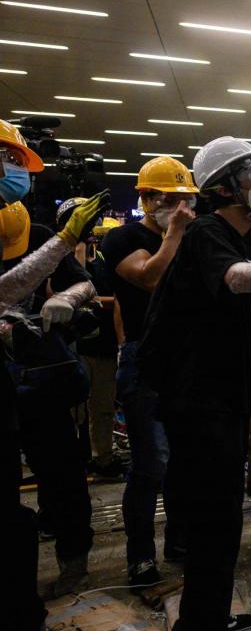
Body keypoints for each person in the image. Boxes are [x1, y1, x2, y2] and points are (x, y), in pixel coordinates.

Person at [137, 137, 251, 631]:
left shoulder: (238, 236)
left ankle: (208, 616)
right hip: (197, 401)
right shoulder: (208, 232)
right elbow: (235, 279)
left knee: (223, 518)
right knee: (214, 518)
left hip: (219, 398)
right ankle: (201, 624)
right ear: (225, 187)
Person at [2, 189, 110, 631]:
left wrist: (68, 297)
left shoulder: (37, 233)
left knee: (62, 472)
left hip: (44, 378)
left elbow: (85, 282)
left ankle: (73, 558)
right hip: (9, 383)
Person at [101, 155, 197, 585]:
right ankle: (140, 556)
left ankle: (178, 540)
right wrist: (175, 233)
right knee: (149, 463)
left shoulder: (188, 238)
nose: (181, 208)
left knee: (181, 460)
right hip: (144, 360)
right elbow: (148, 277)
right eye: (172, 199)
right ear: (148, 198)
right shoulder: (123, 239)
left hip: (182, 358)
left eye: (185, 199)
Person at [55, 199, 125, 479]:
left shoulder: (106, 260)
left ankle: (103, 458)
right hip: (73, 347)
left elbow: (110, 297)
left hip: (103, 347)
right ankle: (73, 457)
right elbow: (68, 295)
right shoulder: (59, 261)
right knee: (74, 410)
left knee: (103, 407)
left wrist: (97, 302)